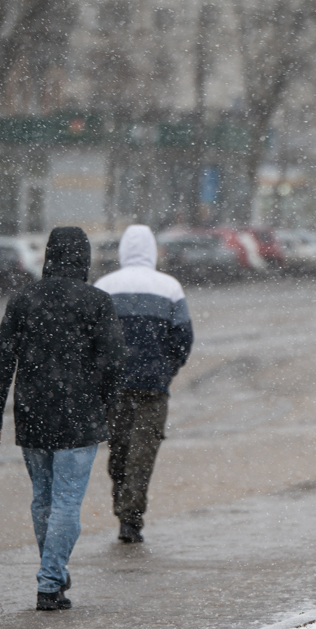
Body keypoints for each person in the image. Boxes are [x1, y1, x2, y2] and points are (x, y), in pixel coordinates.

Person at [0, 227, 125, 611]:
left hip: (33, 413)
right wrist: (106, 406)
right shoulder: (97, 301)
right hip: (79, 417)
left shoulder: (23, 300)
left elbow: (1, 361)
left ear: (48, 256)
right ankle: (49, 583)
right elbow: (112, 363)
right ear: (84, 258)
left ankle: (54, 573)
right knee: (65, 503)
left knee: (42, 499)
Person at [94, 225, 193, 544]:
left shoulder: (103, 286)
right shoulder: (170, 287)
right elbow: (183, 338)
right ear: (152, 250)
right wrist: (167, 369)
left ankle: (122, 506)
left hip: (114, 388)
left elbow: (92, 339)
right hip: (153, 387)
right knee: (143, 452)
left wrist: (101, 372)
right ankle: (131, 518)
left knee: (119, 450)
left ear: (123, 250)